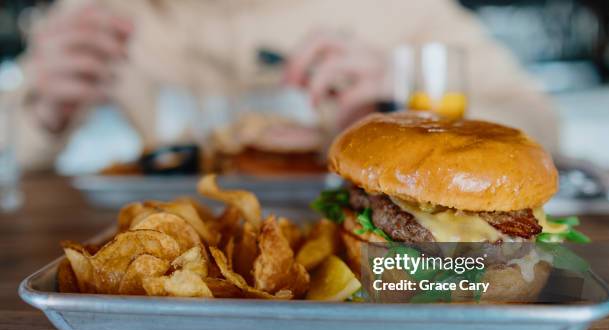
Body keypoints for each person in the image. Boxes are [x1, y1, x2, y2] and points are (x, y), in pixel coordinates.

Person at [7, 0, 559, 170]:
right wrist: (45, 111)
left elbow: (541, 131)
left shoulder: (403, 9)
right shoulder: (98, 11)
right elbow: (17, 155)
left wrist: (404, 98)